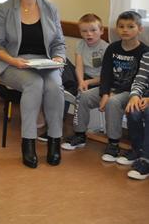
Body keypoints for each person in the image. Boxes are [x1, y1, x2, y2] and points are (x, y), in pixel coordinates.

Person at [0, 0, 66, 169]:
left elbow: (59, 43)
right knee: (34, 83)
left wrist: (58, 59)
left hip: (44, 62)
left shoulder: (50, 9)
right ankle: (28, 142)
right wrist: (14, 61)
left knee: (54, 86)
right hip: (12, 62)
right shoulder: (4, 9)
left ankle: (54, 141)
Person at [62, 11, 147, 161]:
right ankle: (80, 135)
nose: (125, 30)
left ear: (140, 29)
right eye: (121, 26)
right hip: (109, 88)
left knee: (112, 102)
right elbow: (106, 74)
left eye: (130, 26)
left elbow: (140, 79)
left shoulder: (144, 52)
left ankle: (113, 144)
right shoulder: (113, 48)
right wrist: (105, 93)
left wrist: (111, 96)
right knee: (83, 96)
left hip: (130, 92)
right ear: (116, 29)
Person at [125, 51, 149, 180]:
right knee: (132, 110)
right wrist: (135, 96)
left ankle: (146, 159)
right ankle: (137, 150)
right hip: (145, 97)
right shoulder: (147, 56)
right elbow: (139, 81)